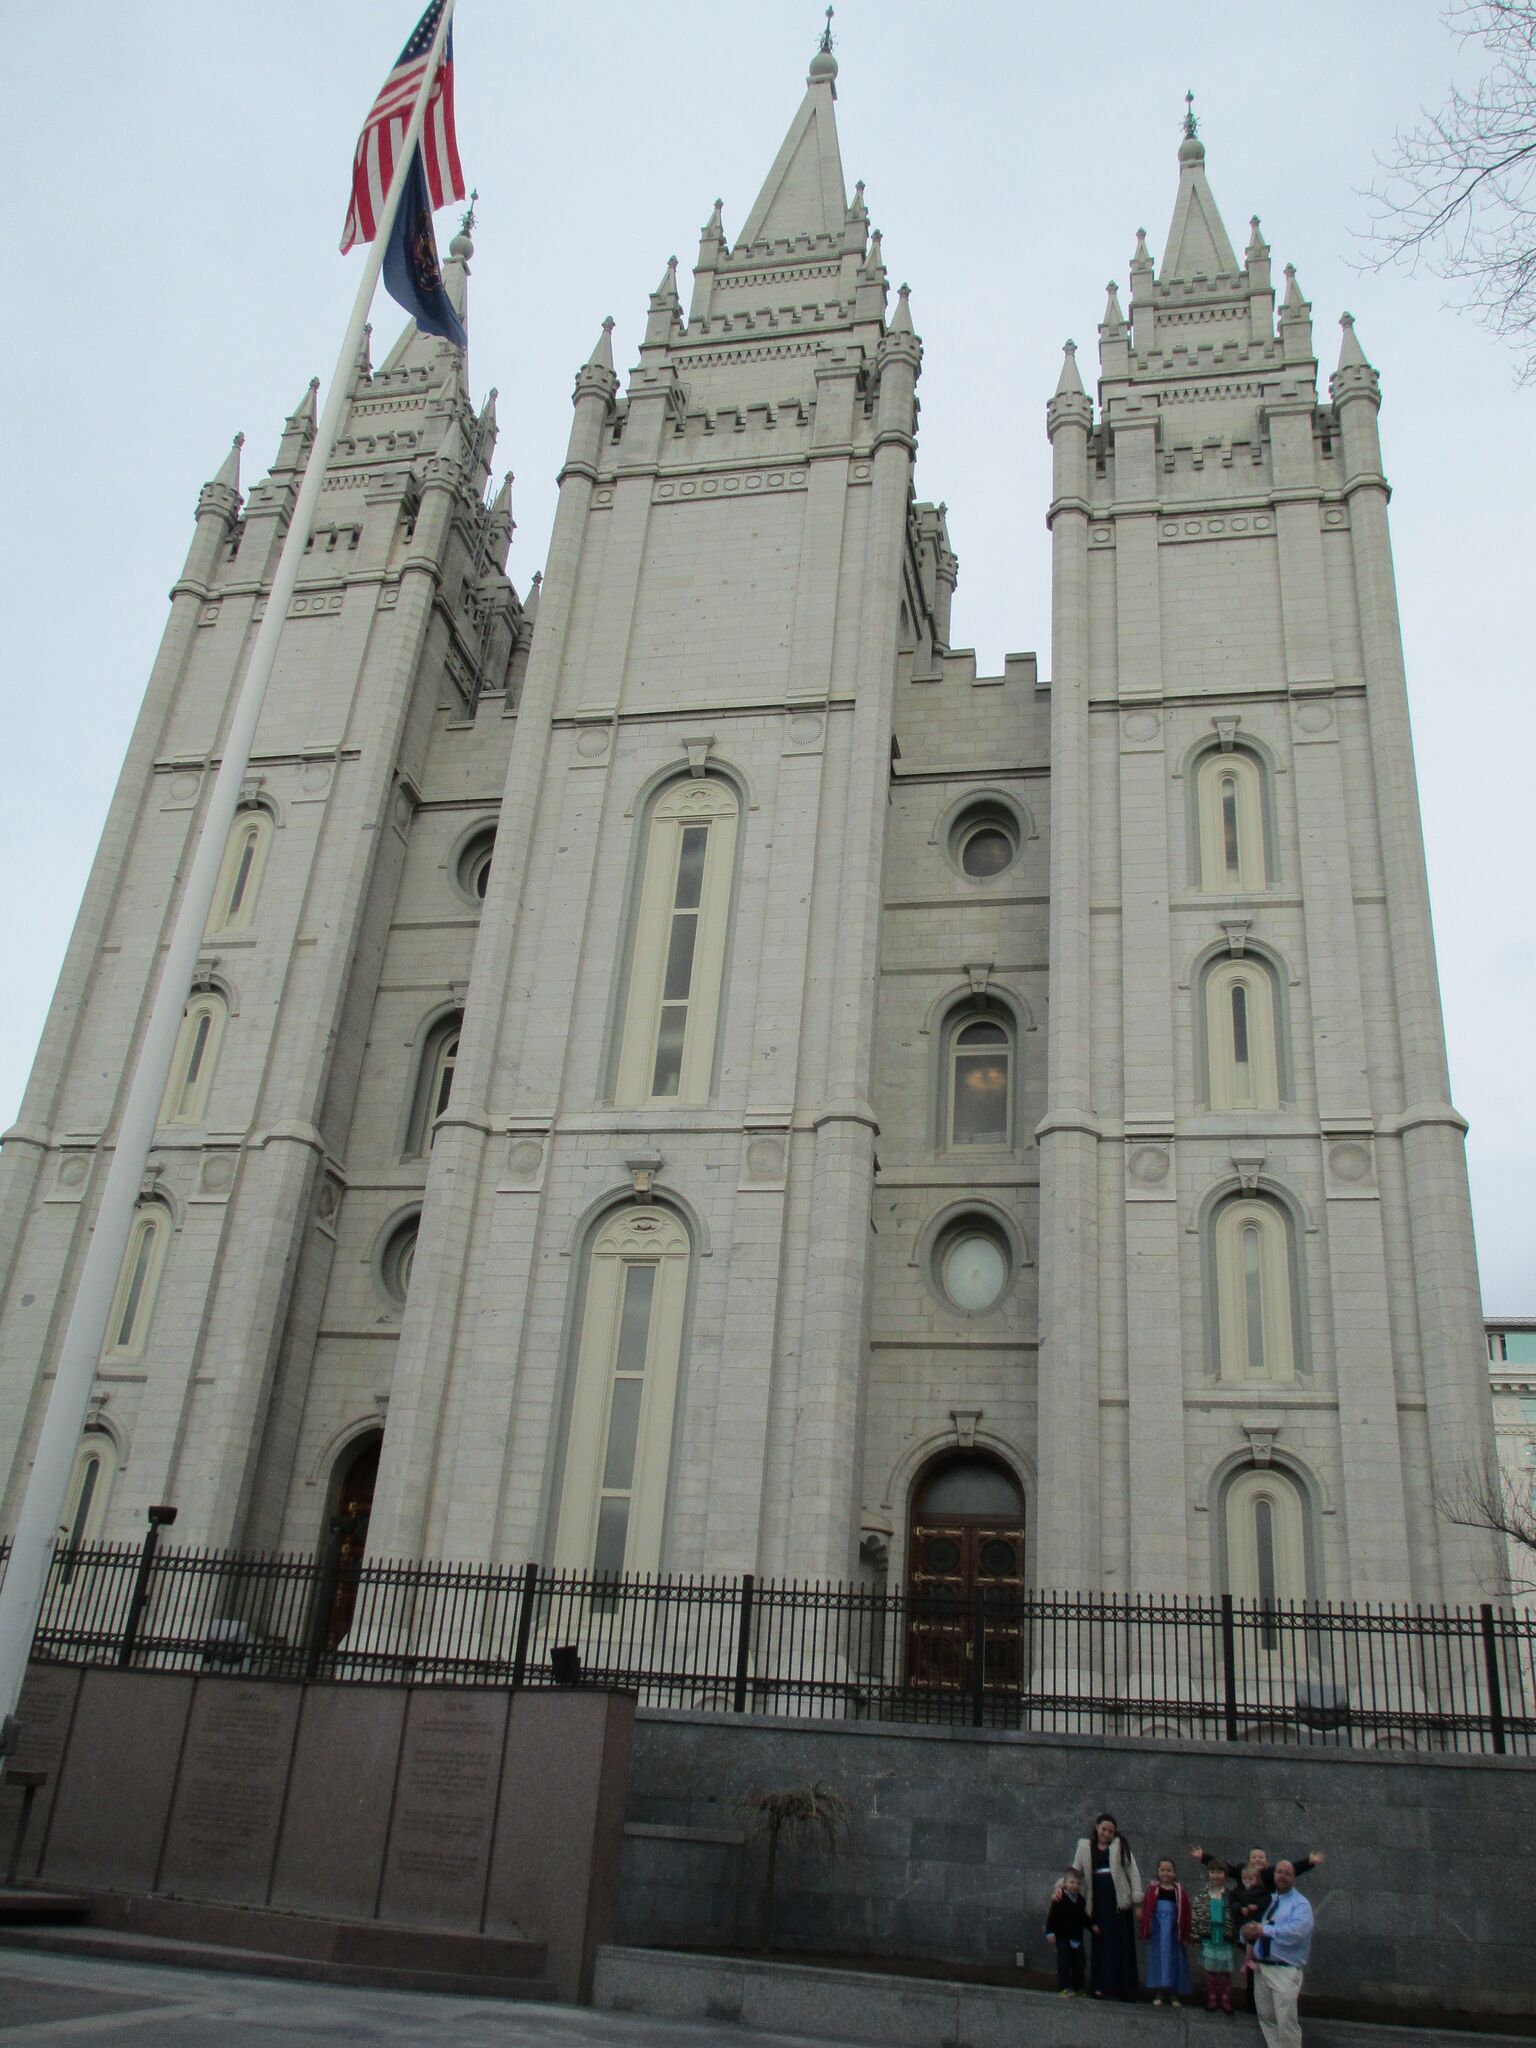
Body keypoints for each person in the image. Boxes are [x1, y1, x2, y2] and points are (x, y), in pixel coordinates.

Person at [1070, 1812, 1142, 2001]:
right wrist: (1061, 1886)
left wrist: (1137, 1899)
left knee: (1122, 1946)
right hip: (1098, 1903)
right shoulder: (1085, 1847)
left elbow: (1132, 1872)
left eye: (1111, 1831)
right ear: (1097, 1827)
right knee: (1101, 1944)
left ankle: (1124, 1989)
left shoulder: (1120, 1846)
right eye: (1104, 1829)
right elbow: (1075, 1871)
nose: (1107, 1834)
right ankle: (1100, 1986)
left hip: (1119, 1903)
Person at [1242, 1859, 1313, 2048]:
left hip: (1285, 1970)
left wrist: (1263, 1930)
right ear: (1273, 1875)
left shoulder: (1300, 1904)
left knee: (1286, 2021)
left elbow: (1297, 1932)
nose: (1282, 1876)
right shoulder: (1267, 1899)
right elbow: (1251, 1924)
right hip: (1261, 1969)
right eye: (1279, 1872)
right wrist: (1246, 1932)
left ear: (1294, 1878)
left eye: (1287, 1873)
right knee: (1267, 2018)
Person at [1138, 1856, 1193, 2006]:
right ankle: (1159, 1992)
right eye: (1162, 1870)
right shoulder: (1152, 1889)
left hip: (1174, 1932)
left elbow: (1186, 1912)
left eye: (1169, 1870)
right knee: (1158, 1961)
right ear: (1157, 1871)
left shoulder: (1179, 1891)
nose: (1165, 1873)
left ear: (1174, 1873)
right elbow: (1146, 1909)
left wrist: (1185, 1932)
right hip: (1157, 1932)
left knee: (1175, 1961)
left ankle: (1174, 1994)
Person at [1191, 1856, 1238, 2013]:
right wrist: (1195, 1934)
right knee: (1210, 1970)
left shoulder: (1231, 1895)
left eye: (1219, 1872)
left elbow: (1236, 1915)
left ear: (1225, 1875)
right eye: (1213, 1872)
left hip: (1224, 1936)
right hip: (1209, 1935)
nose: (1216, 1875)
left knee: (1225, 1971)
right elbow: (1195, 1914)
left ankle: (1225, 1998)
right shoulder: (1202, 1895)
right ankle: (1211, 1997)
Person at [1045, 1867, 1092, 1995]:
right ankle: (1064, 1987)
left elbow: (1083, 1918)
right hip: (1063, 1936)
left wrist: (1092, 1926)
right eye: (1072, 1882)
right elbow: (1052, 1916)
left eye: (1078, 1883)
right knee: (1064, 1962)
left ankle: (1079, 1987)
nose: (1075, 1886)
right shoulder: (1060, 1899)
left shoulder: (1081, 1901)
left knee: (1080, 1963)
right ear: (1065, 1883)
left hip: (1077, 1937)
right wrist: (1050, 1932)